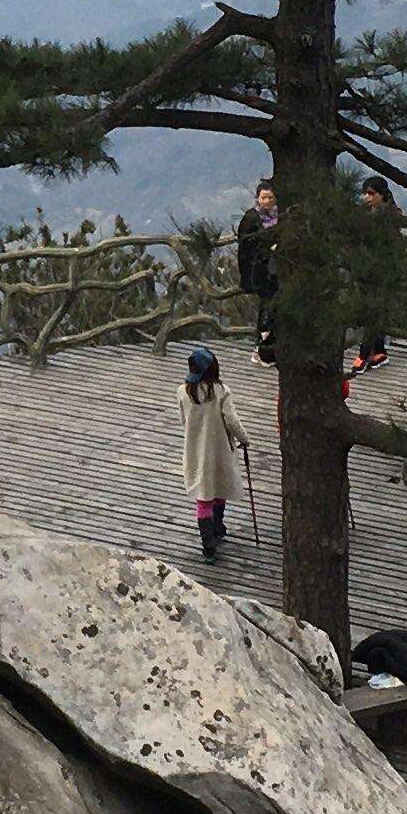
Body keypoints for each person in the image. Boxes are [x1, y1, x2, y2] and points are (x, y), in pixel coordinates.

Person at [181, 344, 256, 564]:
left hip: (195, 450)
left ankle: (208, 545)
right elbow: (232, 421)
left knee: (203, 497)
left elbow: (183, 421)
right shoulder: (221, 391)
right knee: (219, 488)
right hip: (220, 449)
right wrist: (245, 439)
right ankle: (217, 527)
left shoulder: (182, 392)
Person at [352, 176, 403, 368]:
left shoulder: (391, 216)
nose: (366, 197)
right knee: (371, 310)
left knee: (374, 310)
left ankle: (364, 354)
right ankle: (380, 351)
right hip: (364, 268)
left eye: (371, 193)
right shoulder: (362, 213)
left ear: (382, 195)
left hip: (382, 269)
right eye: (365, 193)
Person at [234, 181, 280, 363]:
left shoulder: (281, 216)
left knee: (275, 307)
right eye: (263, 197)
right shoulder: (251, 218)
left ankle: (271, 348)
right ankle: (263, 347)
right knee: (267, 308)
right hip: (260, 272)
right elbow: (245, 248)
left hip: (278, 271)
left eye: (270, 197)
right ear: (257, 198)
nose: (267, 201)